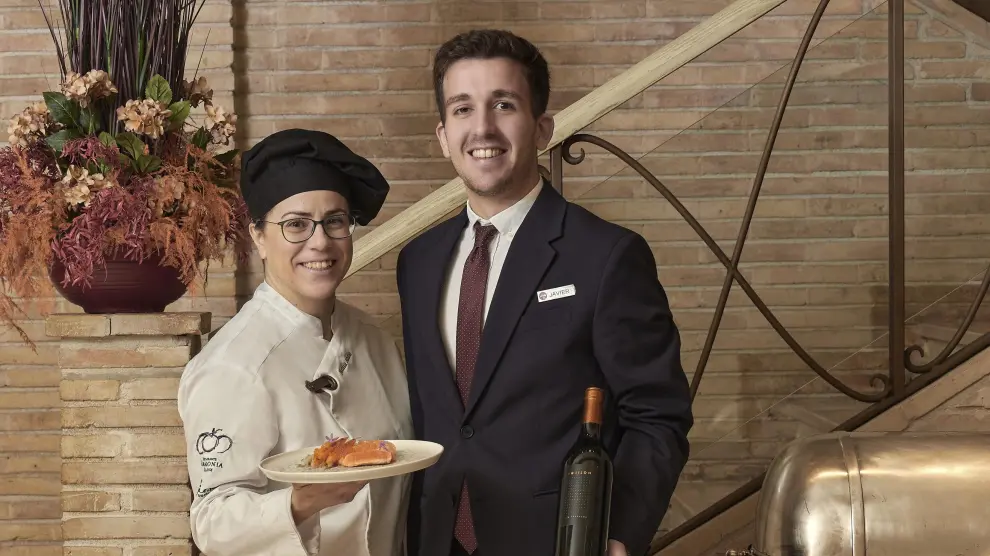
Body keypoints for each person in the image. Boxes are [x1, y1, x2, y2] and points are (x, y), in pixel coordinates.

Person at [395, 29, 694, 556]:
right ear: (443, 135)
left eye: (503, 104)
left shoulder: (607, 255)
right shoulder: (416, 262)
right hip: (435, 540)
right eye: (463, 109)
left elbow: (658, 414)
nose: (482, 128)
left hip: (559, 541)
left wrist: (619, 535)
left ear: (542, 128)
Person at [178, 128, 412, 556]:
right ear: (259, 237)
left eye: (335, 221)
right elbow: (211, 521)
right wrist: (299, 504)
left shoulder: (376, 340)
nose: (319, 242)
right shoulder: (232, 365)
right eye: (296, 225)